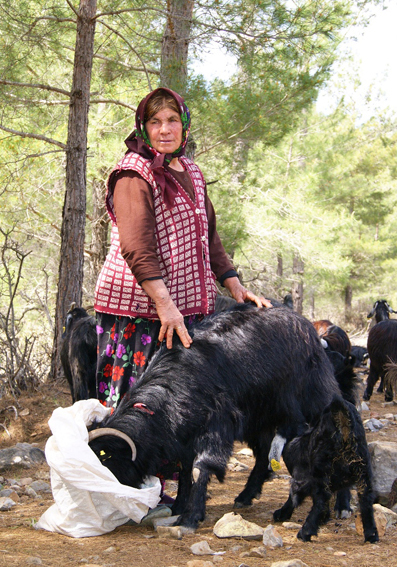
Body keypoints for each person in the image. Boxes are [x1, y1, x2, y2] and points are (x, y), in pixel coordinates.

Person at [94, 87, 271, 410]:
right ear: (143, 127)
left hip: (182, 309)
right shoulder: (133, 174)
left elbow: (209, 235)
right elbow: (136, 248)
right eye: (155, 121)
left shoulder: (191, 171)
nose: (165, 129)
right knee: (139, 409)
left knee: (179, 406)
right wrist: (165, 304)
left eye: (173, 120)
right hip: (143, 313)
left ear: (184, 125)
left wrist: (234, 285)